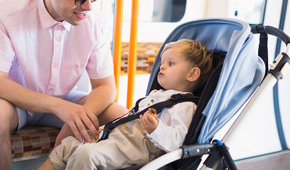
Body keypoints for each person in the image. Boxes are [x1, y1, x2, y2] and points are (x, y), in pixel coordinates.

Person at [0, 0, 125, 170]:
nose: (89, 6)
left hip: (65, 98)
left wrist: (75, 117)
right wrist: (60, 108)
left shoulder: (95, 20)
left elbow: (105, 87)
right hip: (12, 101)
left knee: (119, 115)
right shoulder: (7, 11)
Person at [38, 39, 214, 170]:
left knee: (85, 155)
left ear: (192, 74)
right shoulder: (156, 95)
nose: (162, 67)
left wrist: (156, 129)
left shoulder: (185, 106)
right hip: (120, 139)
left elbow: (177, 142)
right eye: (162, 62)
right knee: (68, 145)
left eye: (171, 63)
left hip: (141, 148)